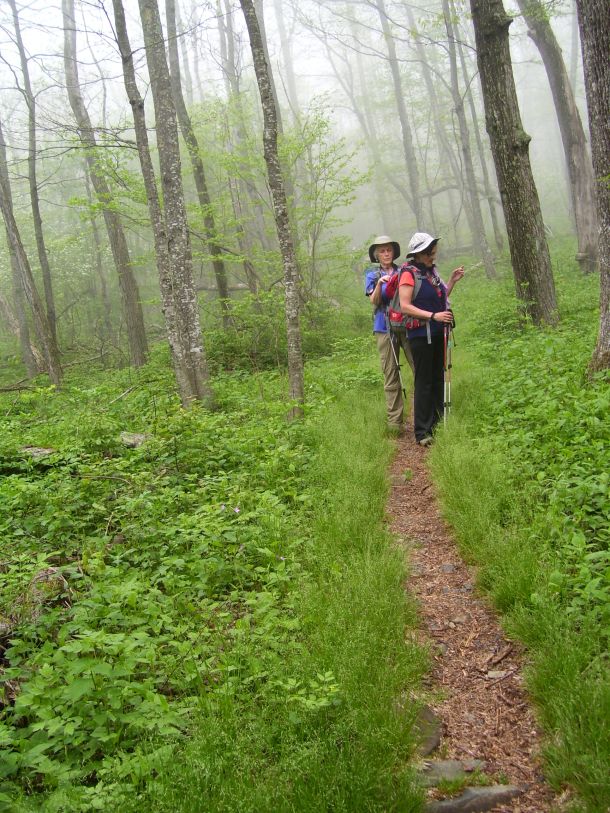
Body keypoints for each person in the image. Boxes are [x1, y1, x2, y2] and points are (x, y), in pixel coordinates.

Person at [398, 232, 464, 446]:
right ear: (418, 254)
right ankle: (422, 431)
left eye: (433, 252)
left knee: (437, 378)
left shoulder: (432, 273)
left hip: (438, 333)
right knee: (424, 381)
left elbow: (442, 298)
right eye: (429, 253)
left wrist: (452, 281)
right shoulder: (408, 274)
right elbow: (405, 306)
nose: (432, 256)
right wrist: (433, 316)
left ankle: (436, 424)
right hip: (419, 335)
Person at [364, 235, 414, 434]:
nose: (385, 254)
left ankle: (424, 416)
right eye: (381, 251)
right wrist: (379, 284)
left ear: (394, 252)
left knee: (419, 366)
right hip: (383, 327)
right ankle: (395, 423)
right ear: (376, 254)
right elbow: (374, 301)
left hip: (406, 324)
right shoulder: (372, 274)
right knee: (391, 373)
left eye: (388, 250)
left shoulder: (404, 271)